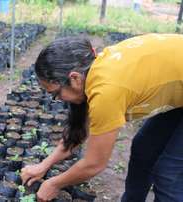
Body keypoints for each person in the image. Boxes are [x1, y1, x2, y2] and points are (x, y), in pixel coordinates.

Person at [20, 34, 183, 202]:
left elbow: (94, 163)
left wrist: (53, 184)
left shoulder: (106, 92)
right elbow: (79, 132)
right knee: (144, 150)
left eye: (56, 93)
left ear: (74, 78)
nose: (58, 99)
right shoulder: (94, 70)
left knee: (169, 176)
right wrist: (43, 165)